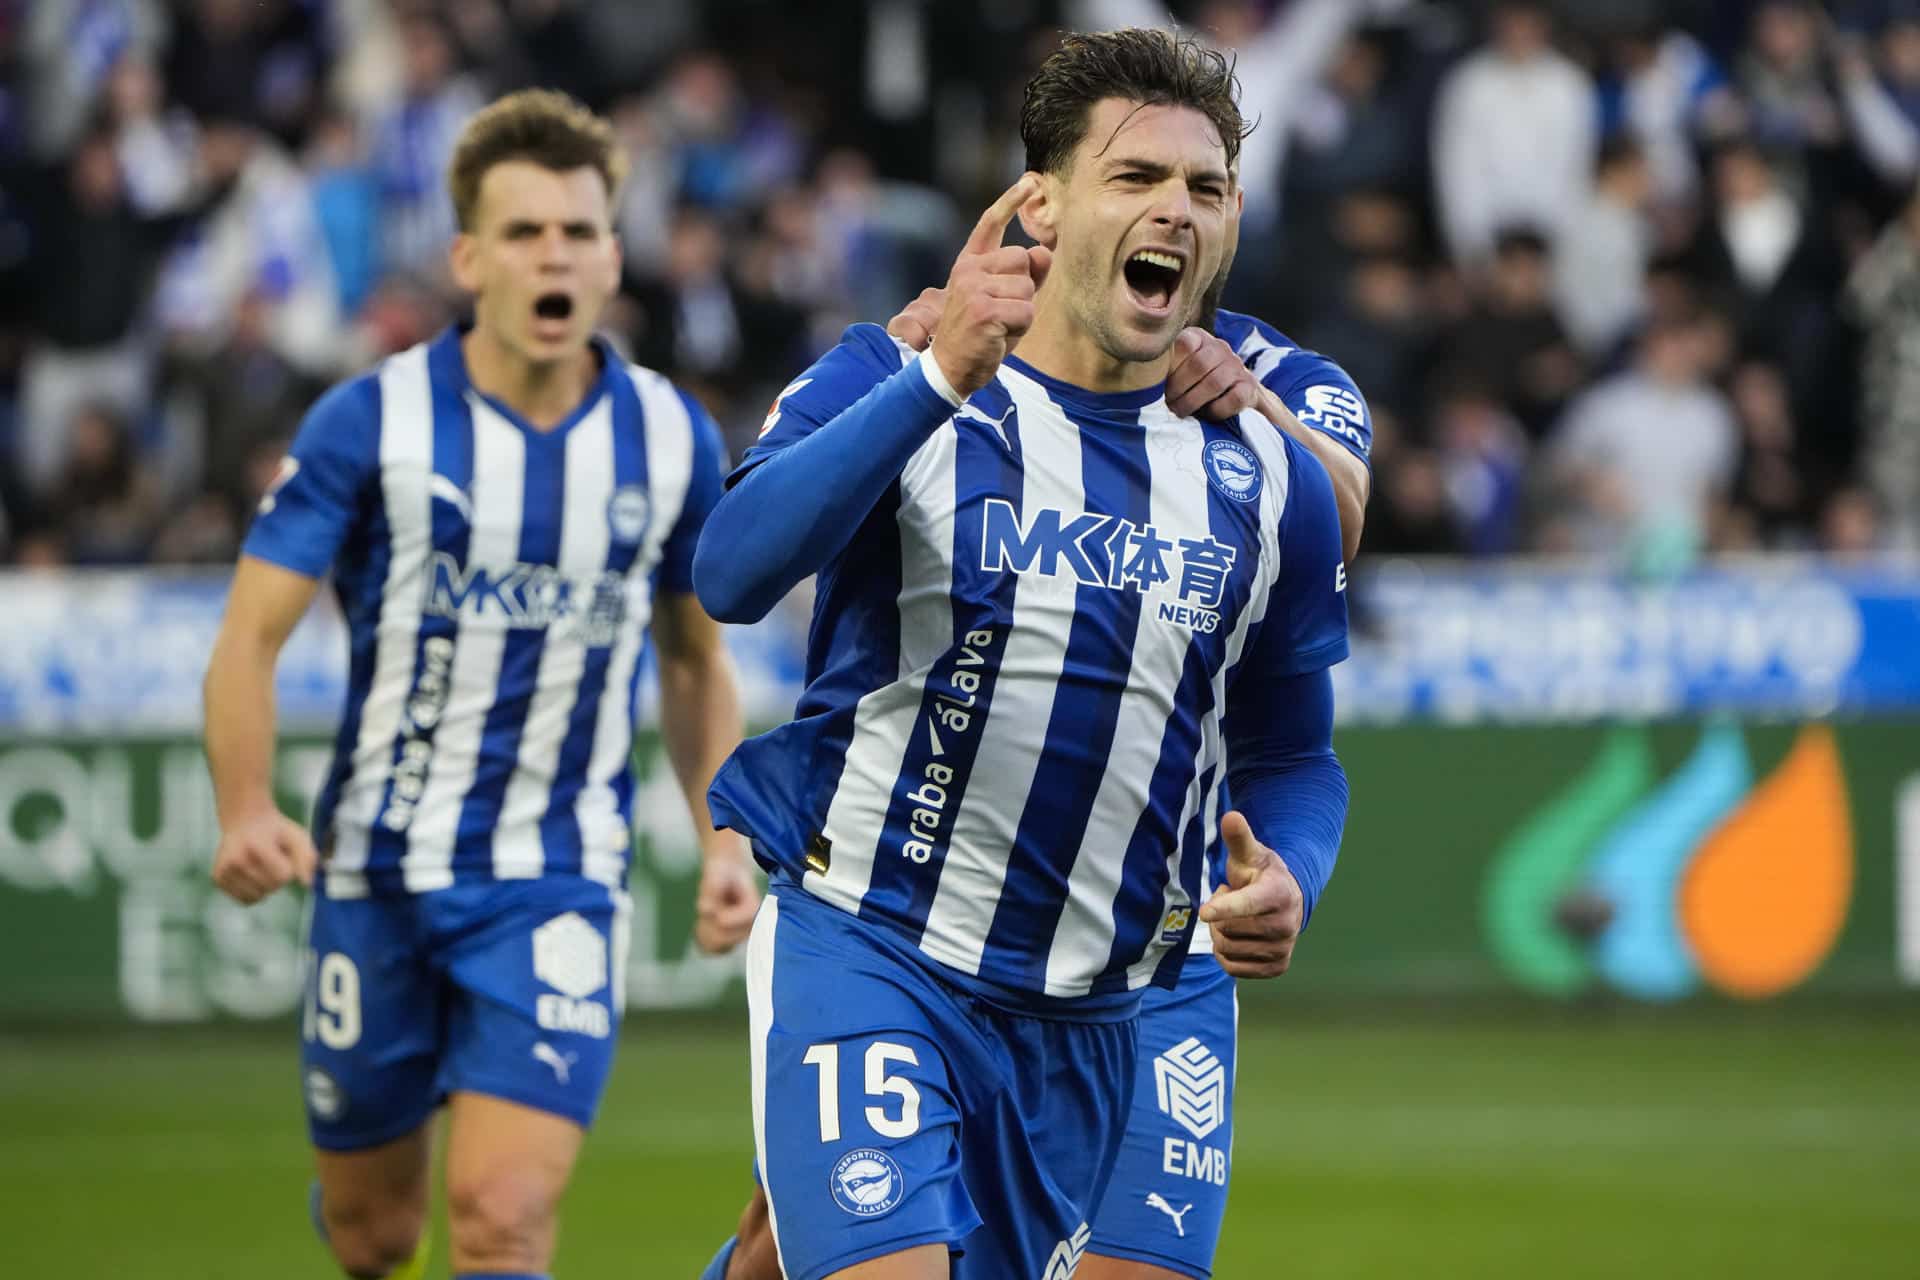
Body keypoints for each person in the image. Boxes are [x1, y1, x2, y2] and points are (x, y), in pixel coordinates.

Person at [691, 29, 1351, 1280]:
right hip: (878, 943)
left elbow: (1295, 751)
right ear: (1040, 205)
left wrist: (1293, 875)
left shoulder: (1270, 475)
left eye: (1205, 188)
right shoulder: (894, 372)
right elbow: (729, 572)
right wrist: (938, 374)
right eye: (1135, 176)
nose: (1175, 209)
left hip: (1120, 999)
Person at [201, 89, 759, 1280]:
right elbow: (249, 635)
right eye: (523, 232)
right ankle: (361, 1207)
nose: (553, 255)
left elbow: (694, 656)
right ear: (468, 259)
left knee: (500, 1216)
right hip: (377, 875)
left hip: (556, 881)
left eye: (578, 231)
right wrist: (244, 807)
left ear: (613, 257)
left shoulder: (671, 437)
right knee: (376, 1234)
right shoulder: (372, 421)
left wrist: (726, 836)